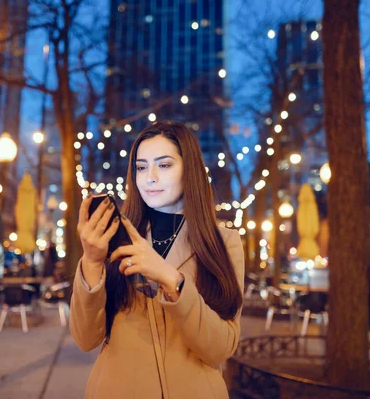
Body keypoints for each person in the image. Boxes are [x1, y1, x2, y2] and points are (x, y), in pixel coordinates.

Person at [70, 121, 245, 398]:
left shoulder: (223, 243)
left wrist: (172, 280)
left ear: (190, 170)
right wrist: (91, 262)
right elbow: (85, 338)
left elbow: (221, 348)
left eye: (164, 165)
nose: (149, 177)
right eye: (141, 167)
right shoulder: (115, 237)